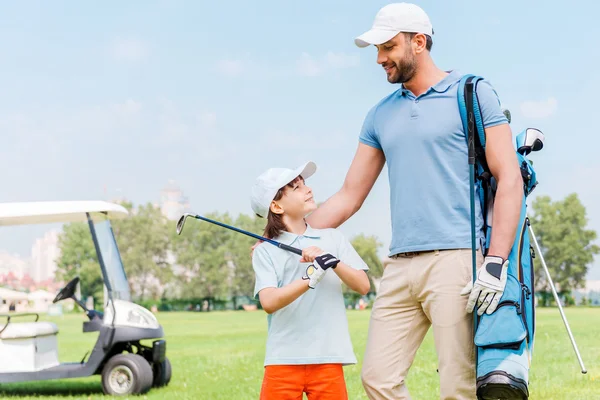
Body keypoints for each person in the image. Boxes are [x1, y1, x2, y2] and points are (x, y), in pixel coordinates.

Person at [303, 3, 524, 399]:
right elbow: (350, 196)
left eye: (387, 47)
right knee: (377, 378)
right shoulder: (379, 115)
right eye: (377, 50)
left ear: (418, 42)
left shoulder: (472, 93)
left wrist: (495, 260)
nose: (379, 59)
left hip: (457, 261)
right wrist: (291, 233)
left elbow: (509, 178)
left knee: (457, 387)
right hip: (400, 265)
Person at [250, 161, 371, 400]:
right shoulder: (265, 250)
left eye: (305, 184)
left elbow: (363, 285)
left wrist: (332, 261)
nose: (308, 189)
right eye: (296, 187)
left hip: (327, 358)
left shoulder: (332, 238)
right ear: (276, 206)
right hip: (283, 360)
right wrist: (310, 278)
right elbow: (269, 301)